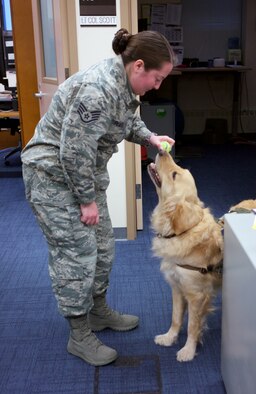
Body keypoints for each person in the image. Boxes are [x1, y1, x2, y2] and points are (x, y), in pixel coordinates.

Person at [21, 28, 175, 366]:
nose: (157, 86)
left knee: (103, 246)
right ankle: (79, 335)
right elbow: (73, 153)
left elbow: (125, 121)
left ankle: (98, 312)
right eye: (157, 78)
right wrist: (86, 201)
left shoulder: (122, 85)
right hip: (53, 177)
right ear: (138, 66)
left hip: (80, 177)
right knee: (77, 255)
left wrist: (150, 136)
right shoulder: (96, 90)